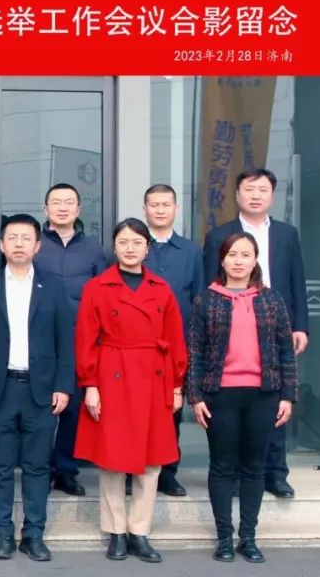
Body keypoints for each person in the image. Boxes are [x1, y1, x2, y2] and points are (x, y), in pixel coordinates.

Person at [73, 218, 187, 563]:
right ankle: (116, 532)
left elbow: (176, 339)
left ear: (147, 248)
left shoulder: (161, 288)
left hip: (154, 376)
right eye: (123, 242)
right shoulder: (97, 287)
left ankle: (140, 531)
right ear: (115, 246)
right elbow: (85, 340)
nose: (130, 248)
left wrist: (177, 384)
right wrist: (90, 385)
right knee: (112, 460)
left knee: (151, 462)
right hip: (112, 376)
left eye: (137, 242)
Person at [0, 213, 74, 562]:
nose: (19, 244)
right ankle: (2, 533)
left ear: (37, 246)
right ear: (1, 244)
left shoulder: (53, 287)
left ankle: (33, 534)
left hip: (40, 391)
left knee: (37, 467)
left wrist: (63, 385)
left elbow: (65, 341)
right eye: (12, 238)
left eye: (26, 238)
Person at [187, 232, 297, 563]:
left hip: (264, 395)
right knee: (222, 466)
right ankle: (224, 537)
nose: (238, 261)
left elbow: (285, 350)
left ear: (255, 260)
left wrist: (287, 395)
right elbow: (194, 351)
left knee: (254, 467)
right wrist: (196, 395)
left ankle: (248, 537)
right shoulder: (206, 300)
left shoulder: (271, 299)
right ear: (222, 260)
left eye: (245, 255)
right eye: (232, 254)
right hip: (220, 395)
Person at [203, 167, 308, 499]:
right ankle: (235, 474)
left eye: (263, 190)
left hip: (276, 326)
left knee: (274, 399)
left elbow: (297, 281)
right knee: (234, 407)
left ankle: (275, 473)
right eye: (249, 189)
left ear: (272, 196)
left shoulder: (287, 234)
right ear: (237, 195)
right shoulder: (219, 236)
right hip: (234, 328)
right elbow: (209, 285)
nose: (256, 195)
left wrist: (300, 325)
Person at [33, 183, 107, 497]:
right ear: (46, 209)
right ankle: (39, 469)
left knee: (73, 409)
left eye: (68, 203)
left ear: (78, 209)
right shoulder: (34, 244)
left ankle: (65, 470)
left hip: (80, 340)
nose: (62, 208)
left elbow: (103, 294)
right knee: (40, 408)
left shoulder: (94, 249)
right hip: (38, 340)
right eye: (56, 202)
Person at [140, 183, 205, 497]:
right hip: (136, 345)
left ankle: (167, 473)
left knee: (171, 413)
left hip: (175, 345)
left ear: (176, 209)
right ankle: (134, 471)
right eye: (154, 205)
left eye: (166, 204)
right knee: (136, 411)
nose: (160, 210)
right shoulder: (135, 245)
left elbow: (199, 298)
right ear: (145, 209)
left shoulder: (191, 251)